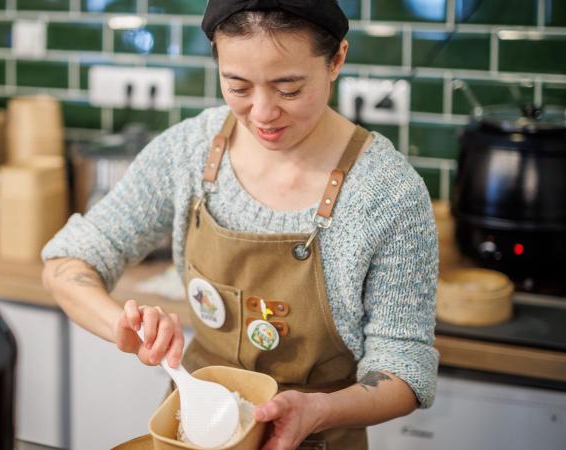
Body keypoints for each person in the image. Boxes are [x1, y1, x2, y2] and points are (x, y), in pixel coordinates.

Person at [41, 1, 438, 449]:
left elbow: (404, 368)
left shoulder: (388, 192)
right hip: (195, 434)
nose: (263, 113)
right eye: (238, 86)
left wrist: (319, 410)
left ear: (337, 60)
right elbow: (66, 262)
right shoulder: (190, 150)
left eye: (288, 88)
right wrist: (124, 325)